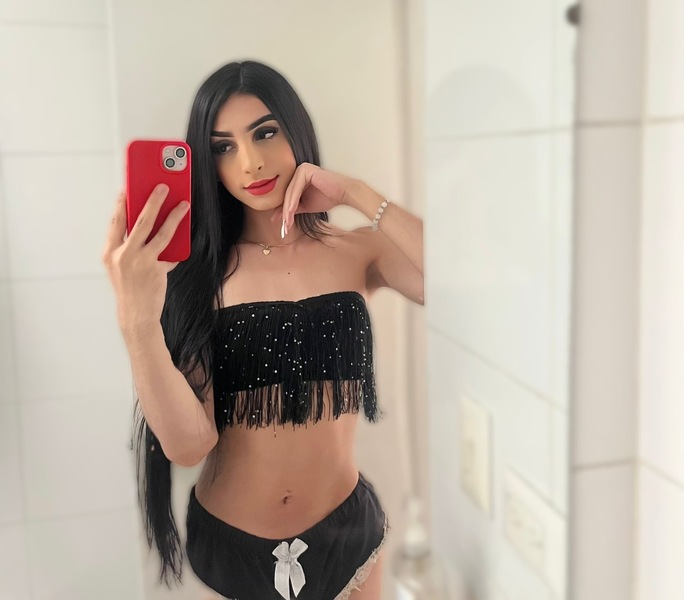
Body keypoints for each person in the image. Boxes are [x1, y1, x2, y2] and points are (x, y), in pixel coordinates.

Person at [102, 59, 424, 600]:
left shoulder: (358, 251)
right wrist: (136, 321)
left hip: (349, 539)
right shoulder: (197, 276)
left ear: (296, 130)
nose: (250, 162)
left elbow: (451, 284)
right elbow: (189, 445)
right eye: (223, 147)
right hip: (233, 553)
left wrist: (357, 194)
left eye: (266, 133)